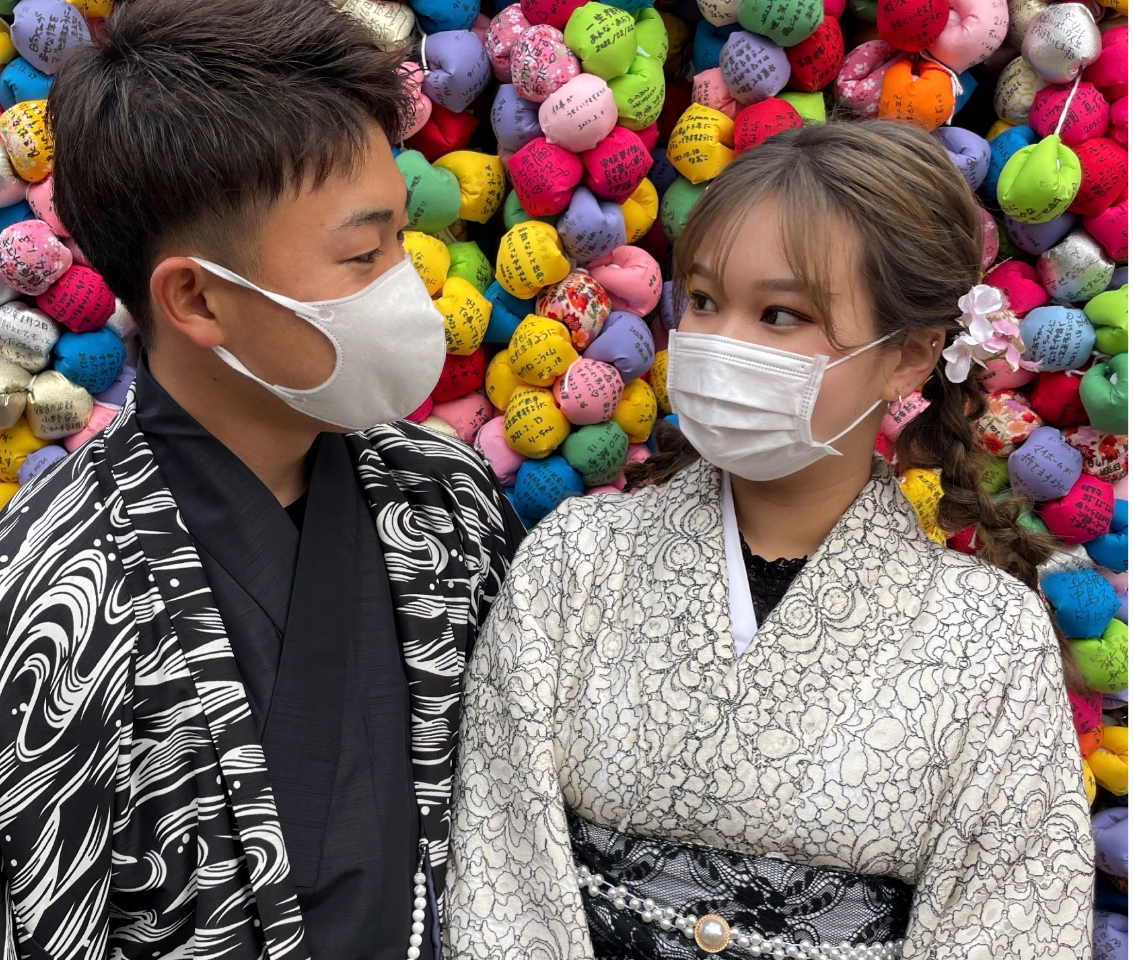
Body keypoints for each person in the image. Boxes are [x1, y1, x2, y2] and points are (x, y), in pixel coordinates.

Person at [0, 1, 522, 957]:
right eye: (363, 253)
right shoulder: (19, 616)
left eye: (400, 242)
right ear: (197, 297)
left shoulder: (445, 498)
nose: (405, 282)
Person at [445, 121, 1094, 959]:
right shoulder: (578, 557)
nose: (721, 344)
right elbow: (502, 864)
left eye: (781, 314)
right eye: (705, 302)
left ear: (910, 354)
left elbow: (1009, 925)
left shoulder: (991, 638)